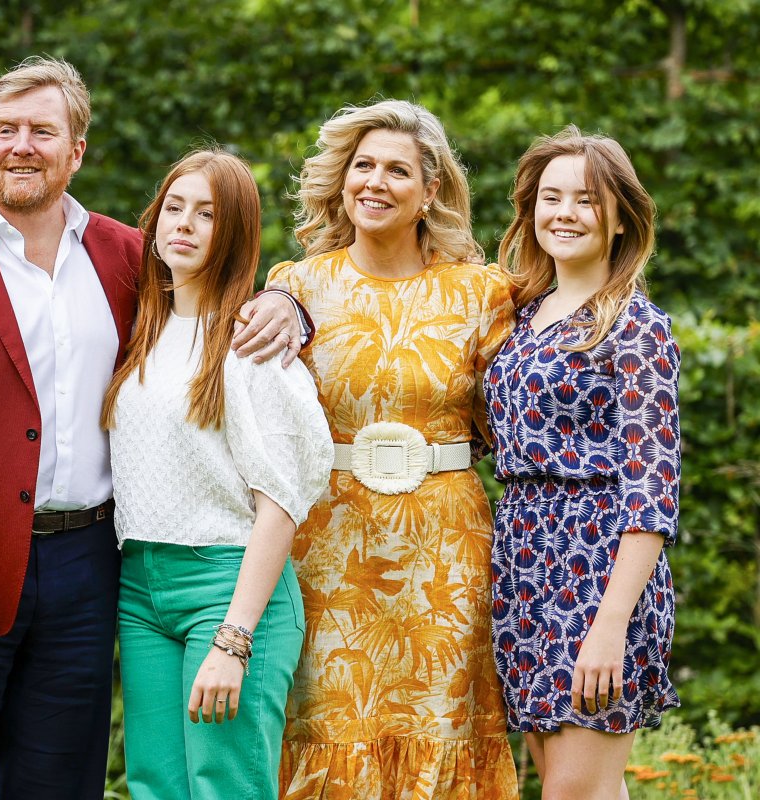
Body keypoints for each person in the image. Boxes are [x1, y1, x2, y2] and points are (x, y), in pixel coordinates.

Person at [0, 57, 305, 800]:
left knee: (62, 786)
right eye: (4, 130)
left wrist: (293, 310)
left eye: (43, 130)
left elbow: (216, 313)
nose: (21, 146)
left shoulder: (126, 255)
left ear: (77, 151)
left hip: (90, 572)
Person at [266, 99, 520, 797]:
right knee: (327, 724)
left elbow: (518, 426)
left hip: (446, 552)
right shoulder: (295, 287)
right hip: (327, 547)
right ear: (342, 179)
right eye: (363, 166)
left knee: (440, 726)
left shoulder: (481, 292)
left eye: (397, 170)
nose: (375, 182)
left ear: (430, 190)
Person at [103, 149, 333, 800]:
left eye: (206, 214)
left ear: (232, 232)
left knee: (224, 786)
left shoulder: (250, 343)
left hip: (228, 586)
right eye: (173, 208)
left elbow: (281, 503)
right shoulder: (143, 330)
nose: (184, 224)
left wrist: (234, 640)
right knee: (156, 785)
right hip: (142, 588)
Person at [484, 126, 681, 800]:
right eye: (550, 197)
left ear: (621, 215)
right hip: (523, 565)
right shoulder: (518, 318)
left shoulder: (636, 326)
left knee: (572, 791)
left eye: (585, 201)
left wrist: (611, 625)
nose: (563, 213)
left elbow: (651, 492)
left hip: (599, 572)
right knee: (584, 789)